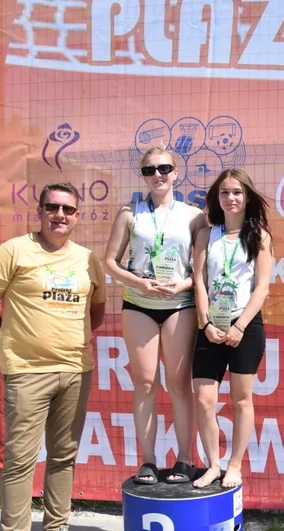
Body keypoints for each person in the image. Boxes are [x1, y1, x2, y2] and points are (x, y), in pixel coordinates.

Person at [0, 182, 107, 531]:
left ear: (77, 216)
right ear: (40, 211)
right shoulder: (13, 251)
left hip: (76, 369)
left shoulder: (87, 260)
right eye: (52, 207)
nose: (60, 215)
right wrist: (9, 342)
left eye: (68, 209)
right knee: (19, 461)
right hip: (26, 371)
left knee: (64, 455)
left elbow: (96, 312)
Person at [104, 146, 207, 485]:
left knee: (178, 384)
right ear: (143, 176)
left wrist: (183, 285)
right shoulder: (129, 213)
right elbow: (110, 263)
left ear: (176, 172)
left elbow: (202, 269)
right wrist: (140, 283)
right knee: (145, 383)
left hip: (180, 305)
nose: (157, 175)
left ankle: (185, 460)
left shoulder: (194, 216)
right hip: (139, 304)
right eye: (149, 170)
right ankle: (147, 461)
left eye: (164, 168)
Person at [191, 169, 274, 489]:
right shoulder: (206, 235)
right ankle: (214, 465)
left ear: (247, 196)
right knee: (204, 399)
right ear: (217, 198)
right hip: (211, 326)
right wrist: (205, 323)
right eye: (224, 192)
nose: (231, 198)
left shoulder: (259, 236)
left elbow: (262, 287)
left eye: (237, 192)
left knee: (241, 399)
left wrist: (240, 325)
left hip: (245, 326)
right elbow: (199, 281)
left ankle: (235, 466)